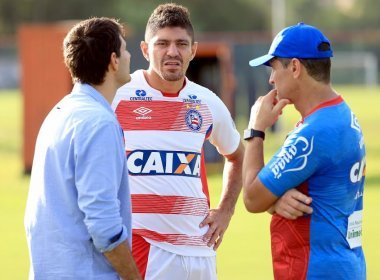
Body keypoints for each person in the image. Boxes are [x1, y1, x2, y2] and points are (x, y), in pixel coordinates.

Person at [112, 3, 244, 279]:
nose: (173, 52)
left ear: (193, 50)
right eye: (162, 44)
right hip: (145, 247)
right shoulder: (119, 97)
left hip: (200, 249)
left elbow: (237, 155)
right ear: (146, 49)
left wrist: (225, 211)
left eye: (181, 44)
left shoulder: (206, 101)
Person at [242, 22, 366, 279]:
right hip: (345, 265)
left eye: (274, 67)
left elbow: (252, 198)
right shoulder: (341, 114)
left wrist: (256, 130)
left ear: (295, 68)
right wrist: (275, 200)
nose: (271, 79)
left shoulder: (313, 133)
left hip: (314, 270)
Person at [24, 17, 141, 280]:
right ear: (113, 60)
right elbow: (104, 225)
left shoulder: (60, 112)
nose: (129, 55)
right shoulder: (99, 123)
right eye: (124, 49)